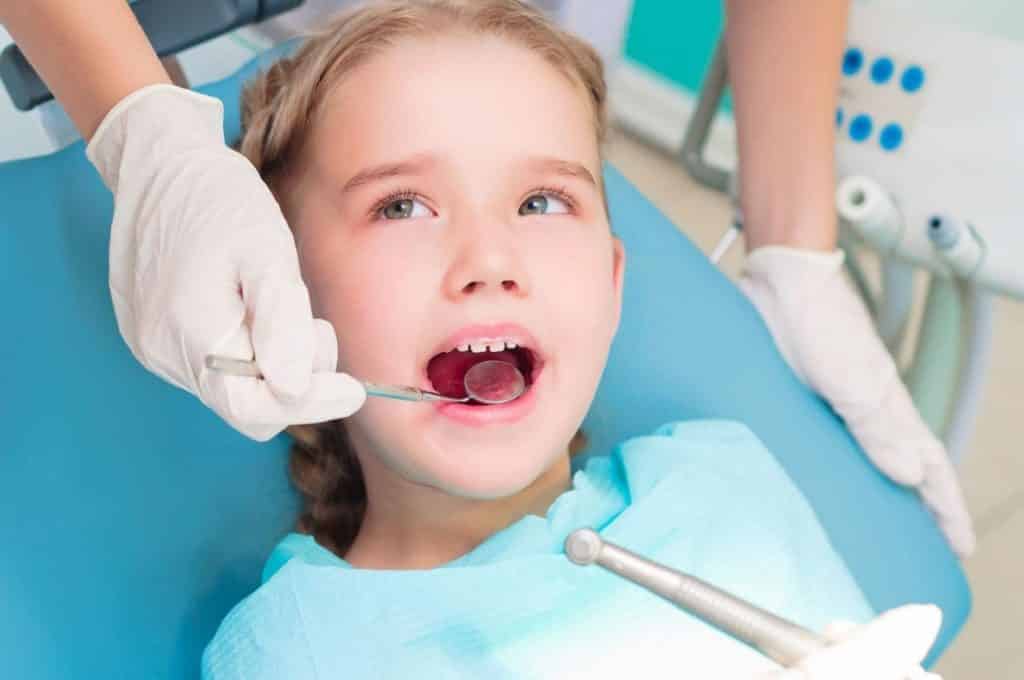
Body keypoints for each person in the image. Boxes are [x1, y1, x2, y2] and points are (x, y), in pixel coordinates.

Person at [155, 1, 946, 677]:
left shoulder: (718, 484)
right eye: (401, 206)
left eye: (541, 202)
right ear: (278, 300)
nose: (491, 260)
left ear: (611, 282)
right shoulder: (302, 648)